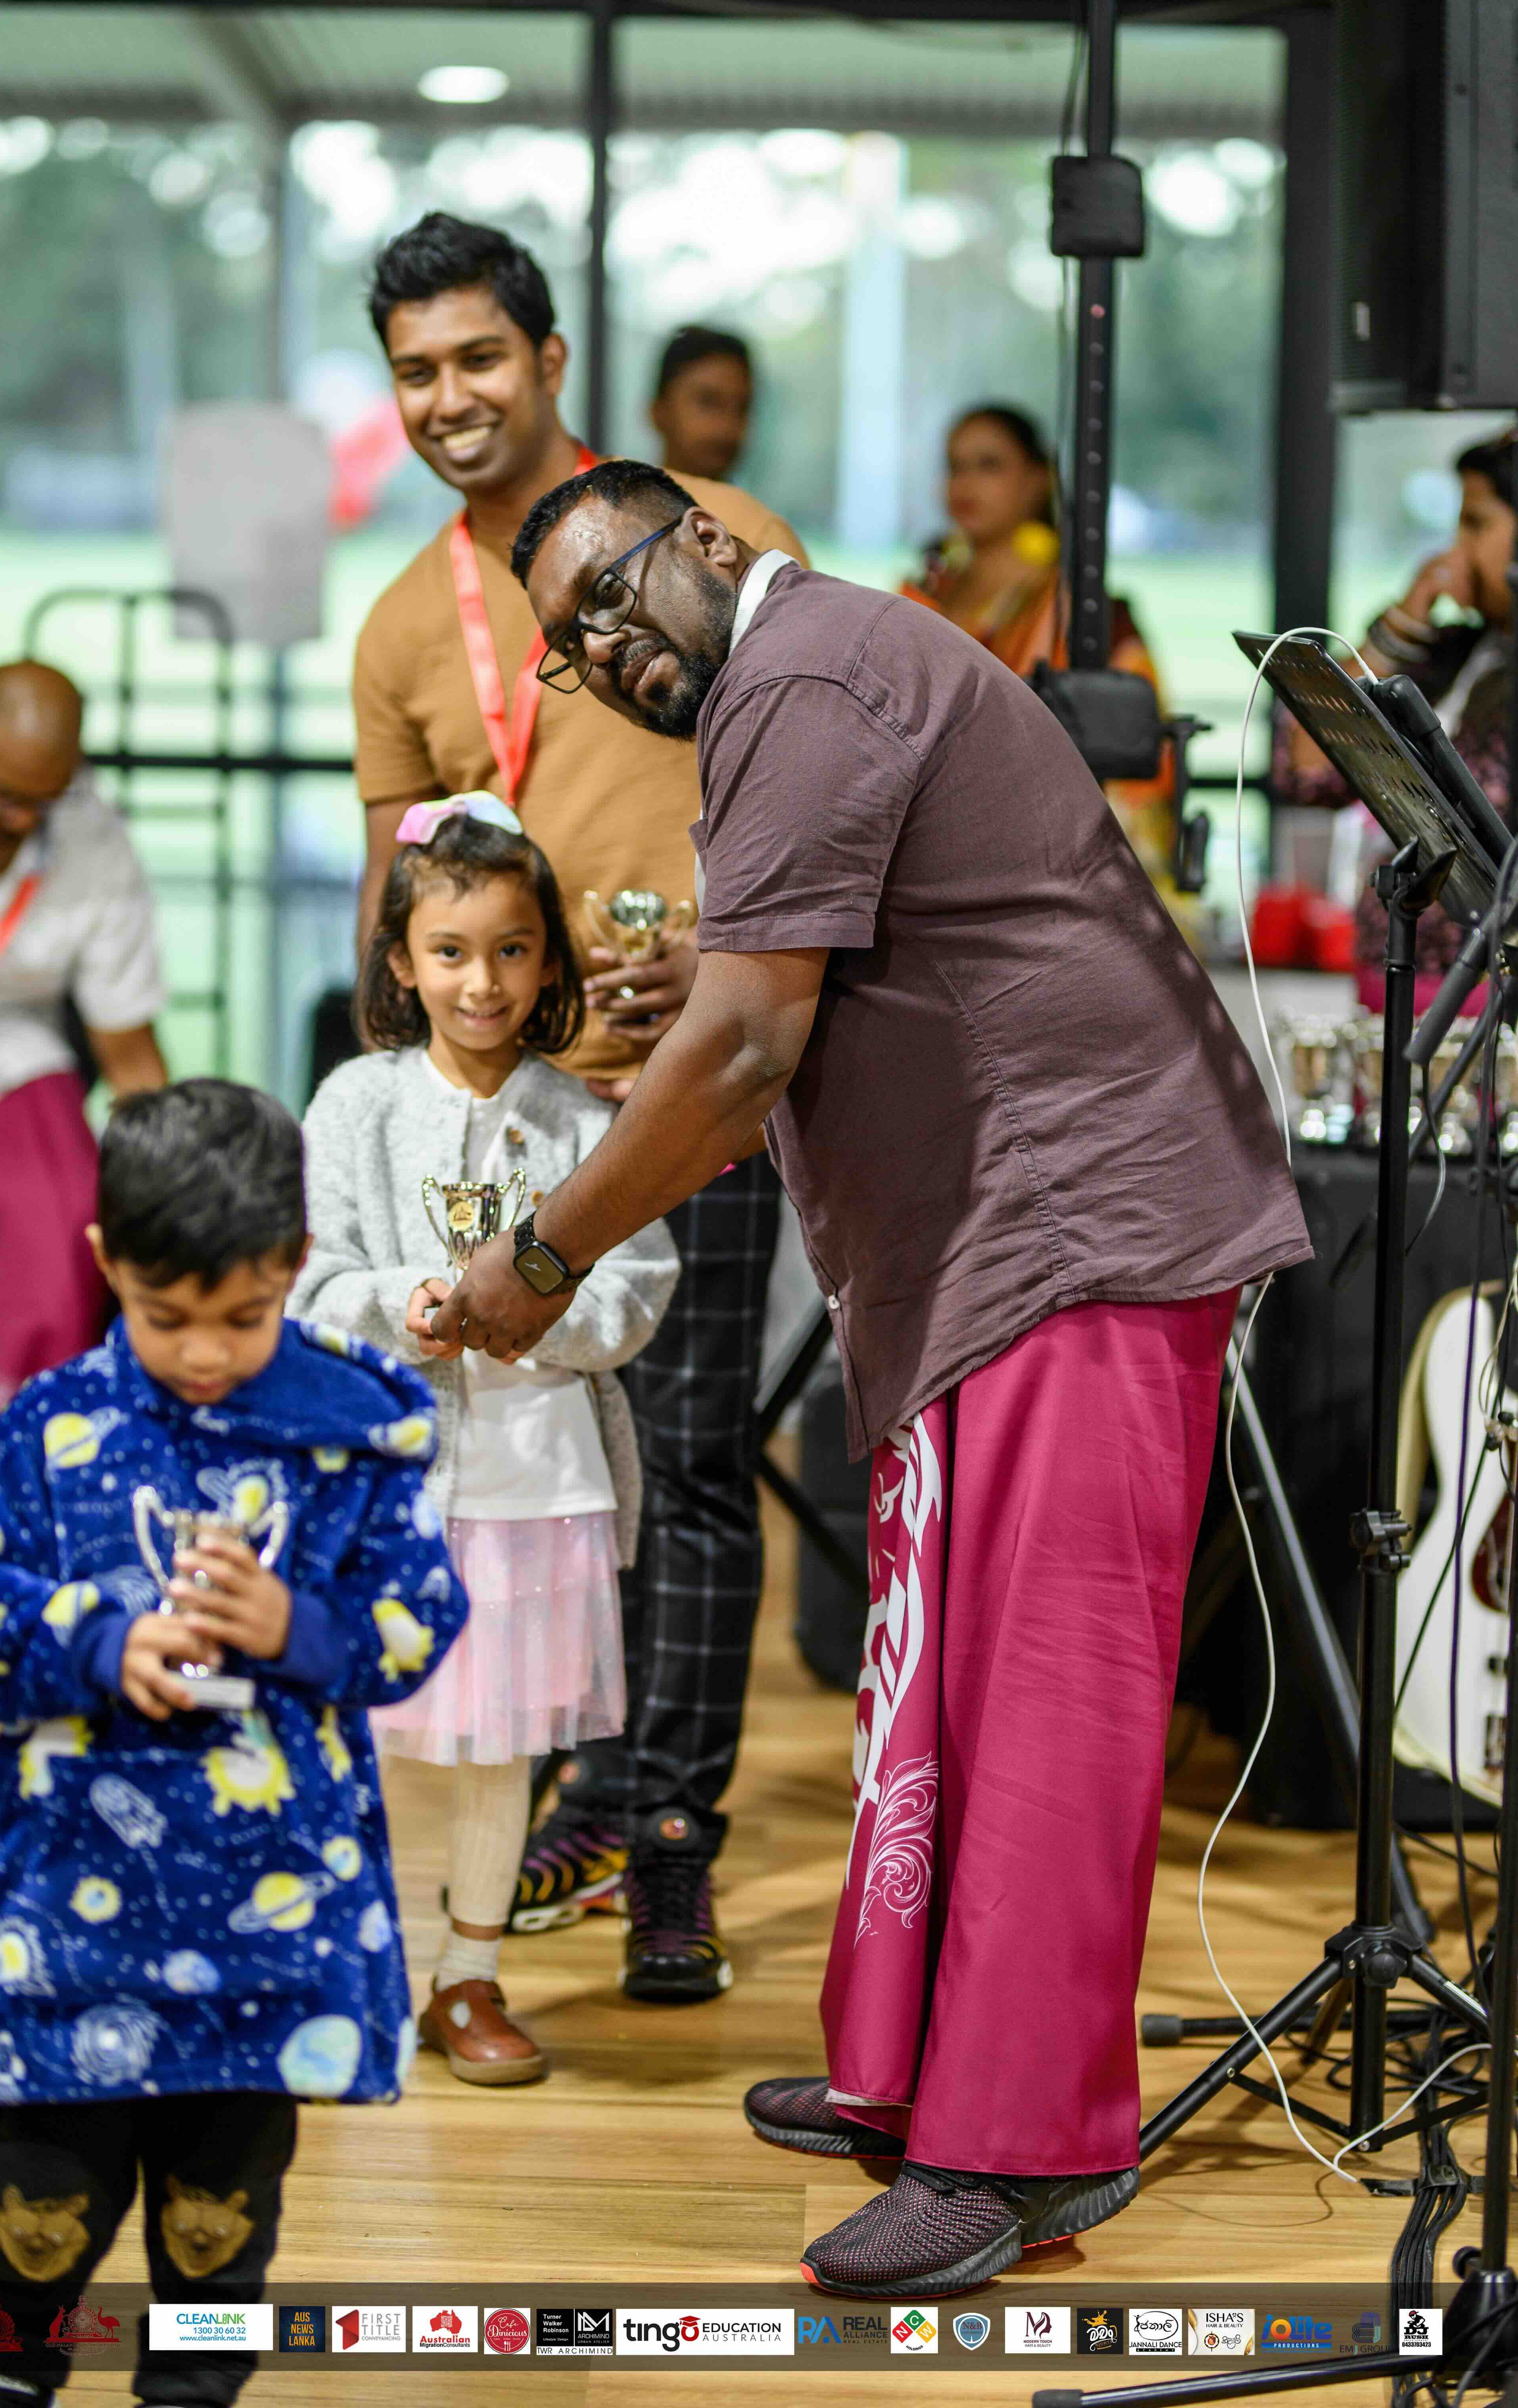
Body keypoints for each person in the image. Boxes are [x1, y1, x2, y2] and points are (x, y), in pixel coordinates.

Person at [436, 457, 1311, 2296]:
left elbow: (755, 1046)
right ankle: (913, 2077)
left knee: (1050, 1706)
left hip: (1085, 1233)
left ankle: (1019, 2155)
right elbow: (794, 994)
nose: (602, 656)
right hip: (996, 1250)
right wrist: (677, 1024)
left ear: (707, 539)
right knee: (943, 1686)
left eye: (609, 601)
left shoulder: (803, 672)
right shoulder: (793, 682)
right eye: (569, 656)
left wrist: (540, 1255)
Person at [352, 213, 806, 2001]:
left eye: (476, 357)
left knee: (688, 1464)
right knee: (532, 1479)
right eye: (414, 372)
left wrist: (717, 947)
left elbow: (828, 776)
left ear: (546, 360)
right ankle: (559, 1796)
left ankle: (664, 1834)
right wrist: (406, 1094)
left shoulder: (711, 540)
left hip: (704, 1078)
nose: (447, 397)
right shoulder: (402, 627)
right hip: (506, 1115)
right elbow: (393, 897)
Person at [0, 1079, 466, 2408]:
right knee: (36, 2217)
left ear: (292, 1264)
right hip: (70, 1925)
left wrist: (300, 1626)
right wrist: (97, 1645)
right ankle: (8, 2374)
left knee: (219, 2230)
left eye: (243, 1313)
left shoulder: (363, 1423)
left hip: (266, 1938)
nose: (206, 1351)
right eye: (166, 1317)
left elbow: (419, 1617)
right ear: (107, 1261)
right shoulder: (49, 1427)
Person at [293, 796, 677, 2082]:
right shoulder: (355, 1102)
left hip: (533, 1488)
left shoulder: (580, 1115)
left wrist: (538, 1322)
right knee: (364, 1724)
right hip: (382, 1482)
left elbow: (639, 1279)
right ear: (400, 959)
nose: (481, 979)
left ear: (550, 960)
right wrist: (403, 1307)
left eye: (512, 949)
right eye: (450, 950)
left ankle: (466, 1975)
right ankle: (352, 1958)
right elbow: (308, 1276)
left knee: (499, 1740)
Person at [0, 659, 167, 1532]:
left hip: (10, 1050)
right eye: (1, 795)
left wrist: (172, 1191)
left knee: (65, 1213)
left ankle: (10, 1485)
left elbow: (129, 1054)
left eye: (42, 801)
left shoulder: (95, 837)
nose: (23, 819)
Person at [901, 403, 1184, 915]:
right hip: (922, 855)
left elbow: (1136, 752)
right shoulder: (923, 592)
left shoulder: (1080, 608)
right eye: (955, 466)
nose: (965, 483)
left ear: (1037, 480)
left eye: (989, 466)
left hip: (1044, 869)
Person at [1275, 426, 1515, 1009]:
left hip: (1488, 1011)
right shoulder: (1450, 654)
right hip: (1395, 985)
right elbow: (1304, 768)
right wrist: (1406, 621)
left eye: (1477, 524)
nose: (1453, 551)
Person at [649, 325, 754, 483]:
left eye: (742, 408)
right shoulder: (612, 506)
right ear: (659, 411)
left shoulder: (755, 508)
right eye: (708, 402)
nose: (728, 426)